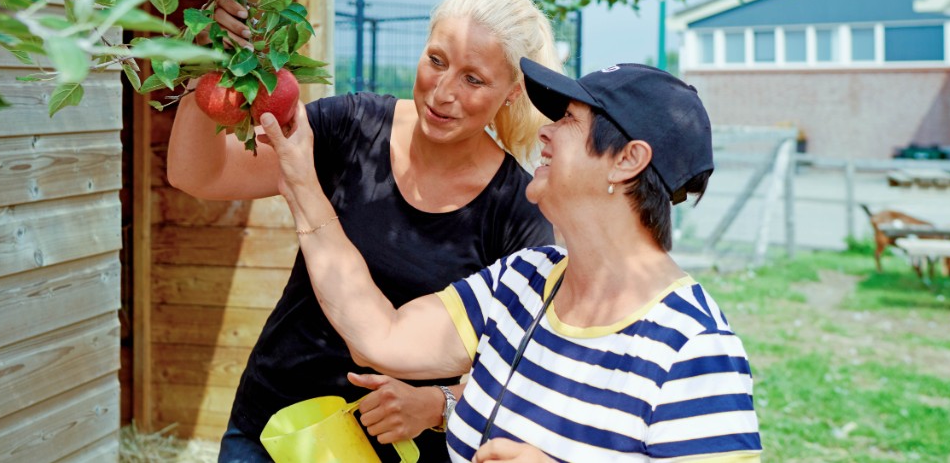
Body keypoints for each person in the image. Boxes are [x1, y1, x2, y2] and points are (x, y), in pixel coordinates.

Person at [257, 59, 763, 462]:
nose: (545, 132)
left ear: (627, 159)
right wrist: (302, 182)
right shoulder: (523, 280)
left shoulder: (692, 348)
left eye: (568, 120)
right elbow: (380, 337)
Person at [166, 0, 562, 462]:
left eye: (473, 79)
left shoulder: (517, 213)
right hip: (274, 431)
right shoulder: (351, 128)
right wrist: (204, 70)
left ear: (511, 92)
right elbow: (198, 173)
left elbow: (518, 370)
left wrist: (440, 404)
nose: (442, 92)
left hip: (395, 453)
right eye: (436, 61)